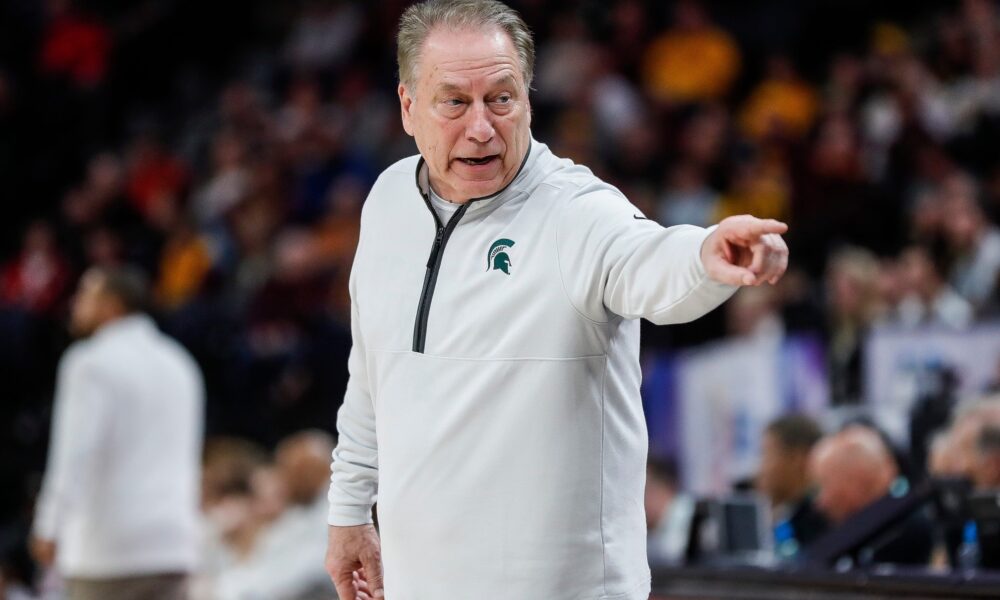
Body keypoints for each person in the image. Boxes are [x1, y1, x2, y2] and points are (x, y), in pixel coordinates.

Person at [324, 2, 789, 598]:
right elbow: (371, 376)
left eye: (501, 98)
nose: (482, 126)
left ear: (529, 100)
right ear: (408, 106)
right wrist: (350, 511)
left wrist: (708, 259)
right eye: (454, 102)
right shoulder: (388, 200)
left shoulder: (578, 213)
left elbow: (649, 262)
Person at [29, 266, 204, 600]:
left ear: (112, 305)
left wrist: (49, 525)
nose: (75, 304)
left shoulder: (89, 362)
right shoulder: (180, 363)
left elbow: (75, 453)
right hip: (173, 545)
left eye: (85, 296)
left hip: (108, 551)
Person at [809, 426, 933, 566]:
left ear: (857, 481)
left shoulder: (909, 533)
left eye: (824, 485)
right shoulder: (851, 535)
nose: (820, 502)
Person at [756, 415, 828, 553]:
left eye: (767, 454)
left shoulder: (821, 528)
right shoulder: (784, 517)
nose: (761, 468)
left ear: (797, 458)